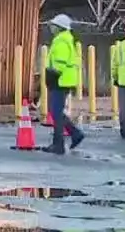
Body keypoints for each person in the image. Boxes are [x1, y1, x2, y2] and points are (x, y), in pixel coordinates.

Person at [43, 13, 85, 154]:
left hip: (60, 81)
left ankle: (60, 143)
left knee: (55, 112)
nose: (51, 28)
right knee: (57, 112)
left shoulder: (61, 41)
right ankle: (73, 135)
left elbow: (60, 63)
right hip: (64, 80)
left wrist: (52, 75)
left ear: (59, 27)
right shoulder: (66, 39)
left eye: (54, 26)